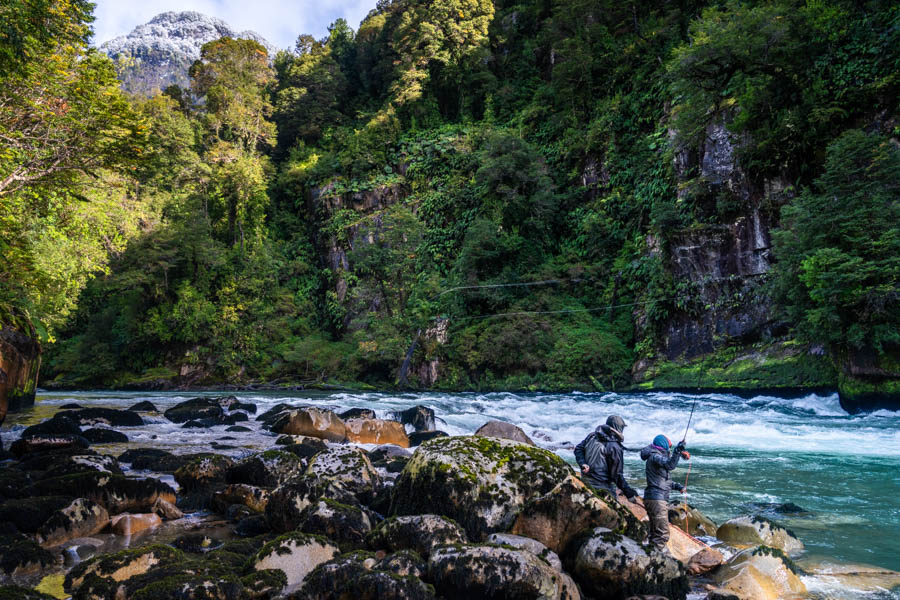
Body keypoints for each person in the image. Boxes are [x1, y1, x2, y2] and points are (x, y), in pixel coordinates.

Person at [640, 434, 690, 552]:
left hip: (654, 498)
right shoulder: (655, 457)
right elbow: (670, 465)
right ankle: (655, 561)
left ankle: (650, 556)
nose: (670, 448)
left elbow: (664, 481)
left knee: (655, 533)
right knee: (662, 534)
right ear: (663, 445)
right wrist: (678, 451)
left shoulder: (655, 458)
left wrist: (678, 487)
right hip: (657, 500)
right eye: (669, 446)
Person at [574, 415, 639, 502]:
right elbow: (617, 475)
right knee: (614, 512)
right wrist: (629, 494)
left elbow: (578, 449)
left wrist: (583, 463)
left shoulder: (592, 436)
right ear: (618, 428)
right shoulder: (614, 447)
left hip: (585, 480)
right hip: (602, 486)